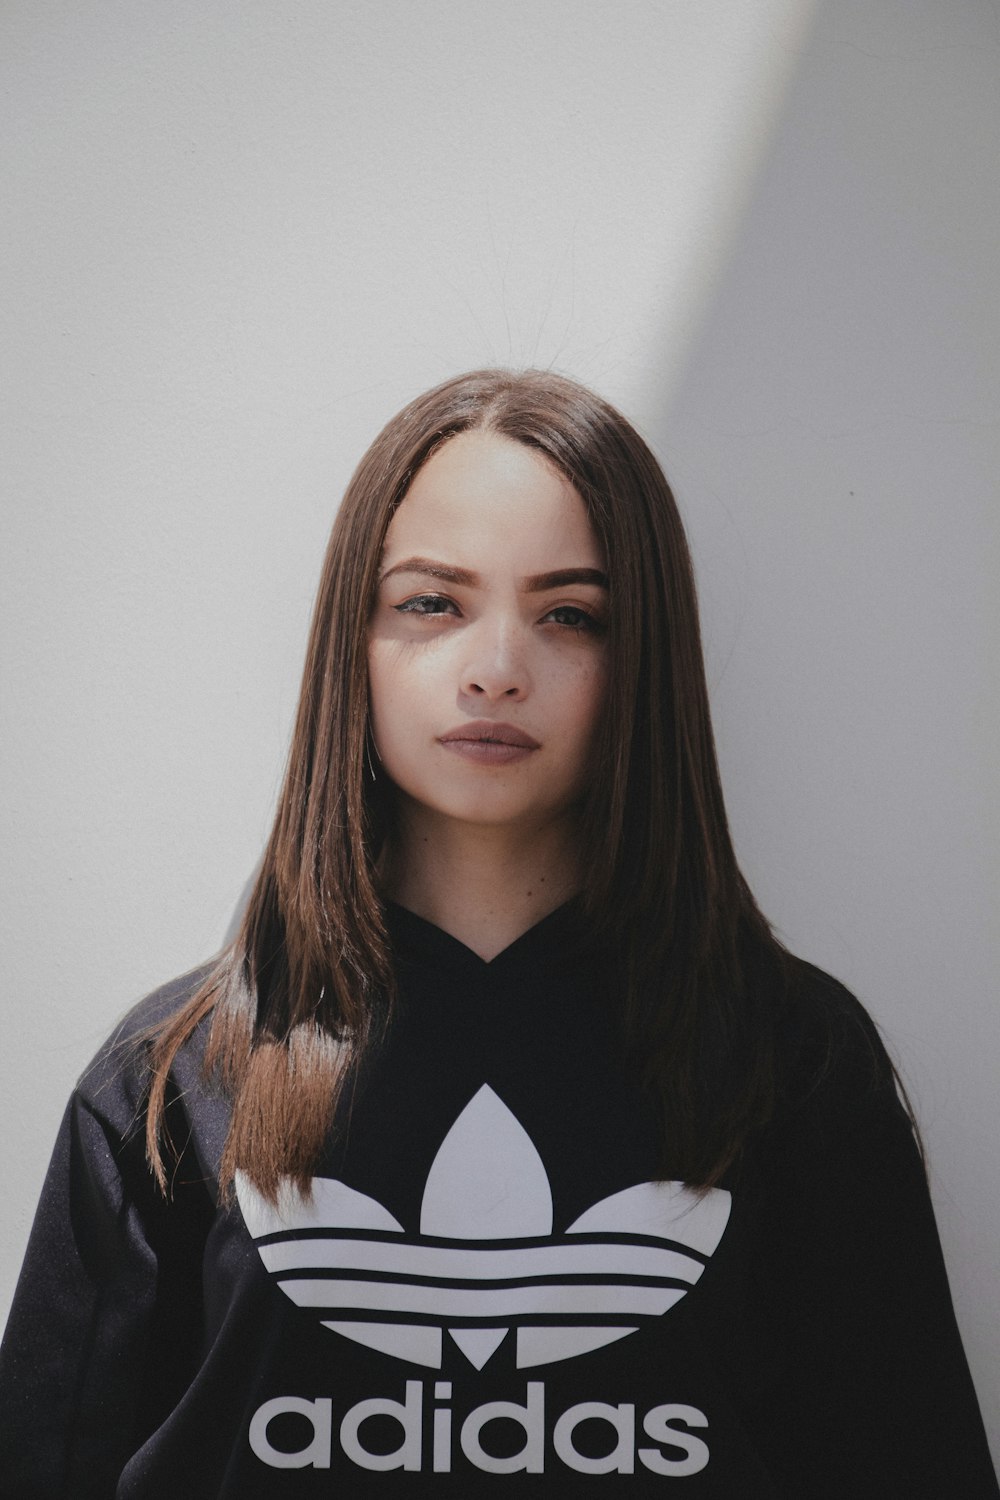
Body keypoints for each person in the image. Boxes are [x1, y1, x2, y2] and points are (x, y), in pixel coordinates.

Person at [0, 369, 995, 1497]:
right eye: (432, 603)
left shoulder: (793, 1062)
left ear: (642, 663)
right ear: (353, 643)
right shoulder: (172, 1081)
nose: (494, 668)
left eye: (570, 614)